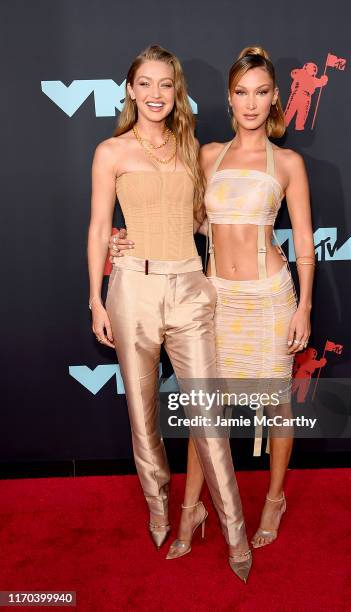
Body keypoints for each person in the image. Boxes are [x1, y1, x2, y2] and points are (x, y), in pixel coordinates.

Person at [109, 45, 315, 552]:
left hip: (270, 299)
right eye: (242, 93)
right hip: (214, 295)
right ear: (228, 98)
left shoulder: (288, 162)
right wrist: (125, 237)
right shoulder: (205, 154)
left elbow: (306, 244)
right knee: (206, 408)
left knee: (276, 406)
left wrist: (305, 307)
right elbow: (177, 216)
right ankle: (190, 510)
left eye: (262, 92)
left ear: (274, 100)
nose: (251, 103)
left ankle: (273, 499)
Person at [88, 44, 251, 581]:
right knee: (143, 420)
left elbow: (203, 221)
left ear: (176, 91)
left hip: (188, 286)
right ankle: (161, 511)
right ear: (130, 89)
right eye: (146, 83)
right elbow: (97, 228)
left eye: (166, 84)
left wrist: (247, 230)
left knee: (209, 420)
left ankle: (234, 533)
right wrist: (96, 297)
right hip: (131, 288)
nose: (156, 94)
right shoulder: (110, 151)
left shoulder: (193, 150)